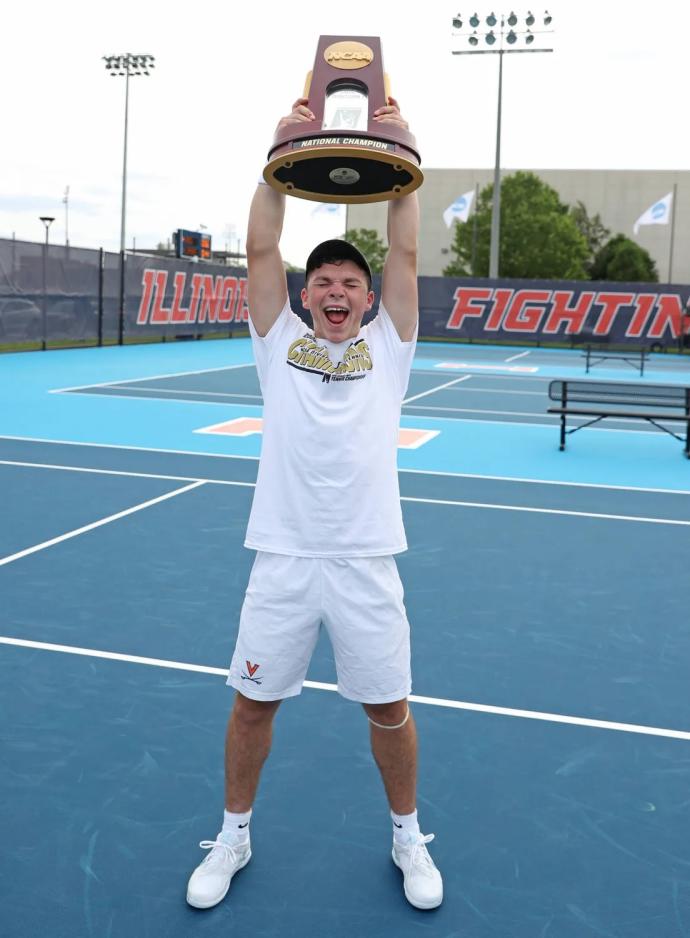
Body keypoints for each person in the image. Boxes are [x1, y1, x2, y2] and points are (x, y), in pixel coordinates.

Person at [186, 97, 443, 912]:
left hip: (367, 559)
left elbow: (405, 243)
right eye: (323, 281)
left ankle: (408, 836)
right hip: (286, 558)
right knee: (252, 706)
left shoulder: (390, 348)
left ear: (368, 300)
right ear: (305, 296)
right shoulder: (278, 346)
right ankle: (234, 834)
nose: (337, 292)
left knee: (390, 710)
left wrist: (400, 156)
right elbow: (262, 243)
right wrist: (280, 156)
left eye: (350, 283)